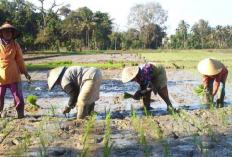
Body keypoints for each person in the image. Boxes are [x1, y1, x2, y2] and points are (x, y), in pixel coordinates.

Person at [0, 22, 31, 119]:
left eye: (10, 31)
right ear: (1, 33)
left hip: (14, 74)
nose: (8, 33)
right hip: (1, 75)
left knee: (18, 95)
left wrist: (25, 73)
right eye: (5, 31)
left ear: (13, 34)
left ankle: (20, 113)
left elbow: (20, 60)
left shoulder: (15, 45)